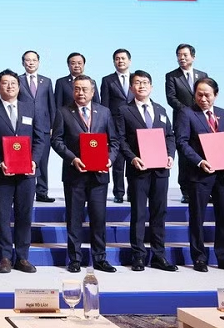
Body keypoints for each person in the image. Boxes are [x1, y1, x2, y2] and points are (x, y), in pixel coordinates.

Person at [0, 69, 47, 273]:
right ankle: (4, 257)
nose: (9, 86)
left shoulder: (31, 108)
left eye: (13, 83)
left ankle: (22, 257)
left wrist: (34, 160)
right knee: (2, 215)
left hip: (27, 173)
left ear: (19, 87)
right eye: (5, 83)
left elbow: (40, 138)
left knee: (24, 215)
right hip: (2, 172)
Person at [51, 74, 118, 273]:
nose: (80, 93)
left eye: (84, 89)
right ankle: (75, 259)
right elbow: (56, 141)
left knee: (99, 218)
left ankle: (100, 258)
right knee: (74, 219)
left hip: (99, 175)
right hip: (75, 174)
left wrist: (109, 159)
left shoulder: (104, 112)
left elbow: (114, 142)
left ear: (93, 91)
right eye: (77, 89)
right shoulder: (63, 112)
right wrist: (73, 158)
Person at [175, 77, 224, 273]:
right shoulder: (187, 113)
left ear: (216, 95)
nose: (203, 99)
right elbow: (182, 142)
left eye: (207, 95)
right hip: (200, 174)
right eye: (199, 95)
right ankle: (199, 258)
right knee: (197, 218)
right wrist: (199, 161)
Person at [116, 70, 177, 271]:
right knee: (139, 213)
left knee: (159, 213)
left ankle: (159, 255)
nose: (141, 86)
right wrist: (132, 158)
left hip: (160, 170)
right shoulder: (124, 110)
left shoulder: (160, 109)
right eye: (137, 82)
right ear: (131, 88)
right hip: (138, 170)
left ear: (151, 87)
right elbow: (120, 139)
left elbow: (170, 136)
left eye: (145, 82)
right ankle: (139, 256)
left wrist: (170, 155)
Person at [164, 44, 208, 203]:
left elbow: (207, 94)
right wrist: (187, 111)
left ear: (193, 57)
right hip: (182, 120)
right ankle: (186, 191)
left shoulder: (202, 75)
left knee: (202, 152)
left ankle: (204, 189)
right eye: (179, 55)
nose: (181, 58)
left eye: (185, 55)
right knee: (184, 155)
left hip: (201, 119)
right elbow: (171, 98)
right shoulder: (172, 76)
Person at [18, 50, 56, 203]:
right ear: (23, 63)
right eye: (28, 60)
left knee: (43, 160)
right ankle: (24, 191)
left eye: (34, 60)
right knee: (23, 159)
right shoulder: (17, 80)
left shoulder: (46, 81)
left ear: (38, 62)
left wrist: (53, 125)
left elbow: (51, 105)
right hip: (24, 127)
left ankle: (42, 191)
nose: (31, 63)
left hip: (44, 126)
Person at [100, 49, 134, 203]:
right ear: (114, 62)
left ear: (129, 61)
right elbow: (105, 106)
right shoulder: (107, 80)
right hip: (115, 126)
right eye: (117, 59)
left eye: (123, 58)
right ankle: (119, 193)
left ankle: (132, 192)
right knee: (118, 162)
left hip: (133, 126)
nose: (120, 61)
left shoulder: (136, 78)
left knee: (133, 161)